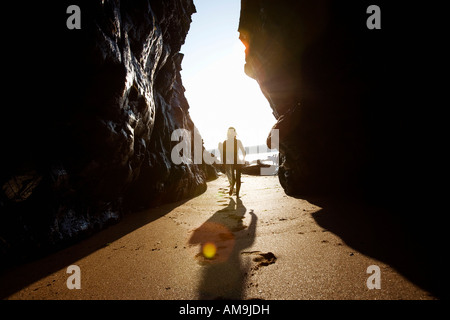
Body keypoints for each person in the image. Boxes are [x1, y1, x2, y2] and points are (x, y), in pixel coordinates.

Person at [219, 127, 246, 197]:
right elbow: (223, 154)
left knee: (237, 178)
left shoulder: (237, 142)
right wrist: (223, 163)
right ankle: (232, 189)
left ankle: (237, 193)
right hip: (230, 162)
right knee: (234, 179)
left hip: (236, 162)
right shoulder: (225, 142)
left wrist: (243, 159)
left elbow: (243, 151)